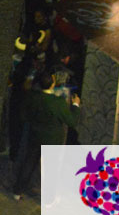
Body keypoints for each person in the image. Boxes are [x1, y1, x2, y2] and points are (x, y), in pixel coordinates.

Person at [13, 71, 79, 199]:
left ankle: (17, 191)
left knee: (29, 163)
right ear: (52, 84)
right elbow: (71, 121)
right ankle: (48, 199)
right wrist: (75, 104)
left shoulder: (32, 97)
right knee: (50, 170)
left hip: (35, 136)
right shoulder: (58, 102)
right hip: (52, 140)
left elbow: (24, 115)